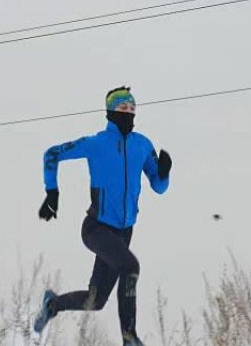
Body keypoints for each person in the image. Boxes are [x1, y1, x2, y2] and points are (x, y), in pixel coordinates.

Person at [33, 86, 172, 346]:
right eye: (123, 108)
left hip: (123, 233)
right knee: (130, 267)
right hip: (96, 228)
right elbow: (51, 154)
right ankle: (129, 337)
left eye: (132, 109)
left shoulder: (142, 145)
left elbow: (159, 187)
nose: (129, 113)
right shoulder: (97, 143)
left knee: (95, 301)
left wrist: (164, 172)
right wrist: (52, 192)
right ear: (110, 112)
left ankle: (52, 305)